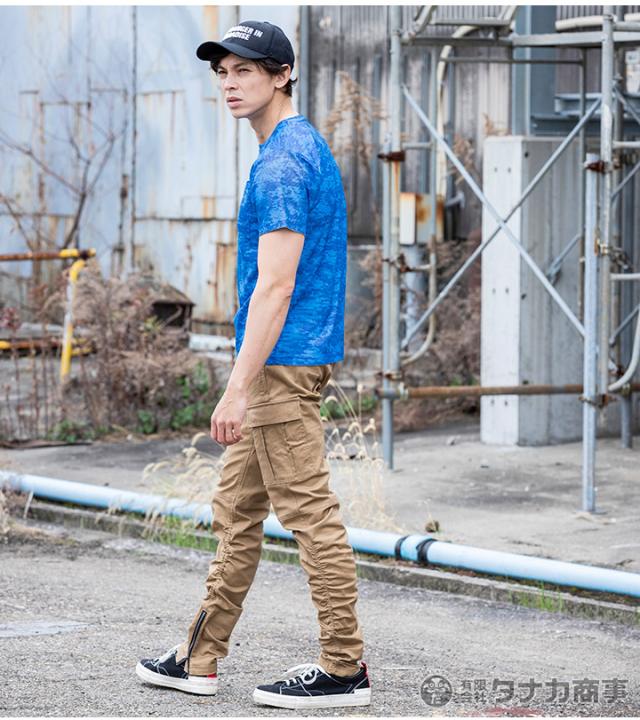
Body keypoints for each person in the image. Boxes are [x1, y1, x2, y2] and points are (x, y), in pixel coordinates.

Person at [135, 19, 371, 710]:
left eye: (246, 70)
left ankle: (344, 667)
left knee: (310, 515)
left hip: (278, 366)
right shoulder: (296, 147)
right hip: (284, 360)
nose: (230, 84)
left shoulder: (283, 164)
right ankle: (199, 657)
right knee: (236, 513)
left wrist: (238, 388)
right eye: (223, 72)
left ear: (282, 74)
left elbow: (276, 287)